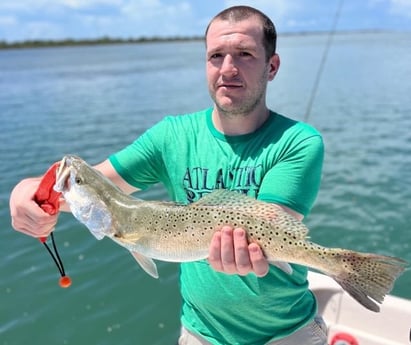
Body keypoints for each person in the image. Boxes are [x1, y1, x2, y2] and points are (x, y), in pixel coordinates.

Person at [9, 5, 327, 345]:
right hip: (200, 334)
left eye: (245, 54)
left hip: (289, 334)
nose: (228, 69)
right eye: (216, 55)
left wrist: (253, 252)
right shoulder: (171, 136)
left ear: (272, 66)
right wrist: (27, 190)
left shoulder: (298, 142)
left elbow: (276, 226)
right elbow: (97, 191)